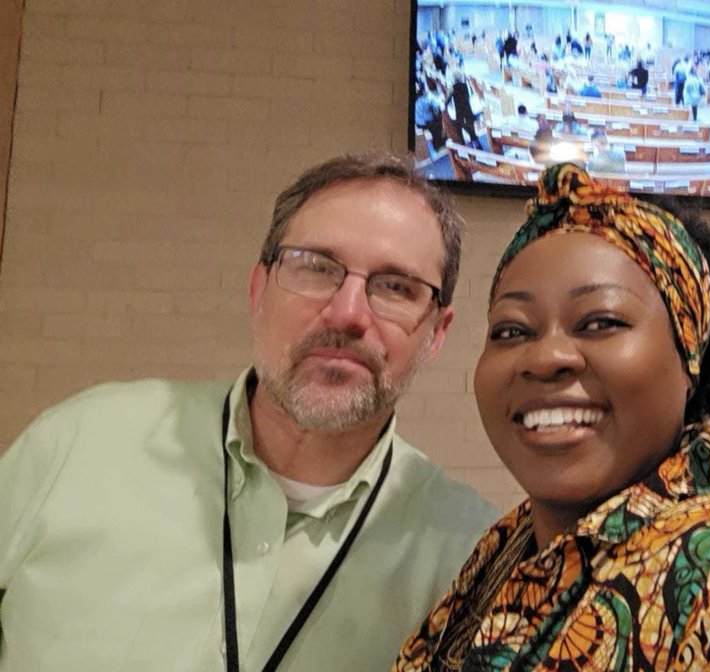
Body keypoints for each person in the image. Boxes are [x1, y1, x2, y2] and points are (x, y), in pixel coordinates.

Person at [394, 163, 710, 672]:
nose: (544, 356)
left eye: (601, 321)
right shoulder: (511, 545)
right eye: (511, 330)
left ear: (689, 355)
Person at [0, 153, 497, 671]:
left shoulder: (469, 557)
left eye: (396, 287)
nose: (348, 313)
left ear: (437, 332)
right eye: (316, 267)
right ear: (259, 288)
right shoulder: (78, 445)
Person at [448, 72, 482, 150]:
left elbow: (447, 101)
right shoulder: (466, 86)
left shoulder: (452, 88)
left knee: (461, 132)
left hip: (460, 114)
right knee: (472, 132)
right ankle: (478, 148)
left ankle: (464, 149)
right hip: (469, 112)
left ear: (453, 79)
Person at [413, 78, 446, 151]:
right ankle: (438, 144)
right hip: (425, 121)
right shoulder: (423, 100)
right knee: (437, 121)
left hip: (419, 122)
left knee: (435, 119)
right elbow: (437, 105)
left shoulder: (416, 101)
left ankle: (437, 141)